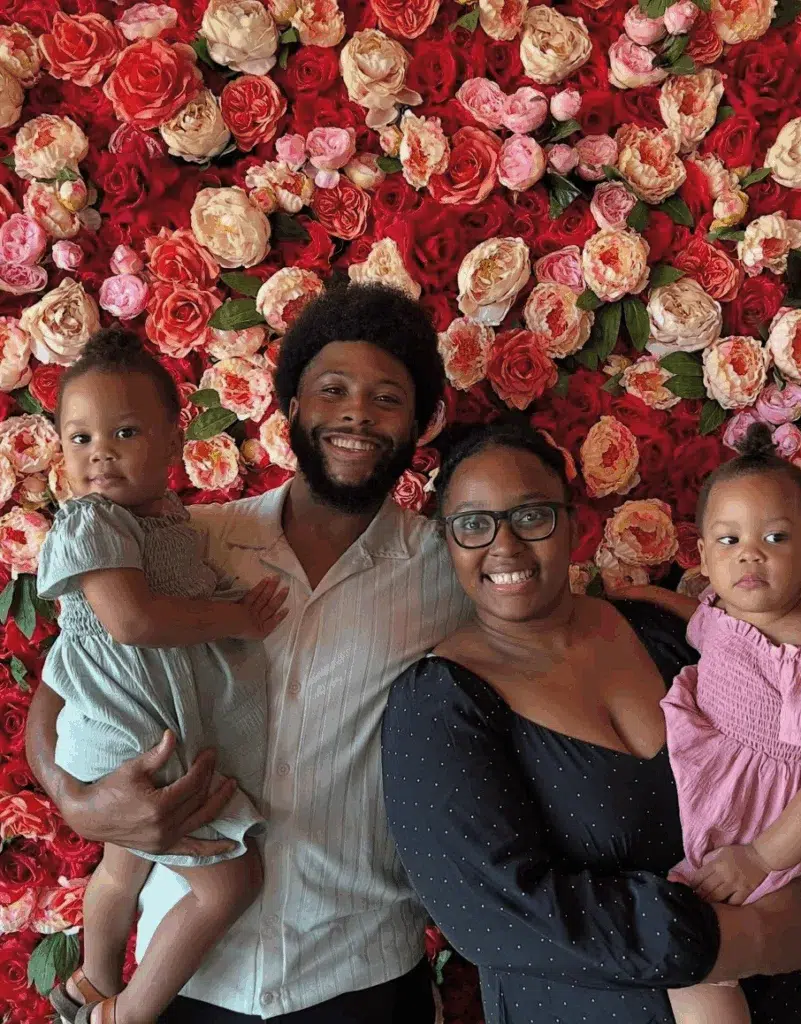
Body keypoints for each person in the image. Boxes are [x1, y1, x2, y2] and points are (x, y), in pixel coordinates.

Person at [26, 284, 470, 1023]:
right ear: (291, 409)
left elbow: (549, 625)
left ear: (421, 424)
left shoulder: (448, 569)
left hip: (358, 975)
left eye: (387, 398)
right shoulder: (187, 541)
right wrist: (78, 800)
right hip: (189, 979)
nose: (357, 413)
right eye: (332, 390)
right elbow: (66, 683)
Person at [381, 419, 801, 1024]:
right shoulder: (437, 705)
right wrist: (738, 939)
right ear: (447, 541)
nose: (503, 545)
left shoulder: (661, 631)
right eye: (473, 525)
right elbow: (491, 916)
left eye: (531, 515)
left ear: (572, 520)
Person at [40, 327, 288, 1024]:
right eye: (80, 439)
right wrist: (238, 619)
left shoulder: (164, 522)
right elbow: (134, 622)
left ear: (175, 445)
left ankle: (89, 981)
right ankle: (127, 1012)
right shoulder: (91, 521)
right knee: (229, 885)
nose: (101, 456)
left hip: (137, 724)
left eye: (124, 432)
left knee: (124, 864)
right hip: (120, 730)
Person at [605, 423, 801, 1024]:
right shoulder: (726, 612)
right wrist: (641, 595)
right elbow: (699, 624)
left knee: (699, 955)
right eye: (728, 541)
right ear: (702, 557)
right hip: (737, 800)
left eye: (775, 537)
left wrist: (761, 856)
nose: (749, 553)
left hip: (774, 818)